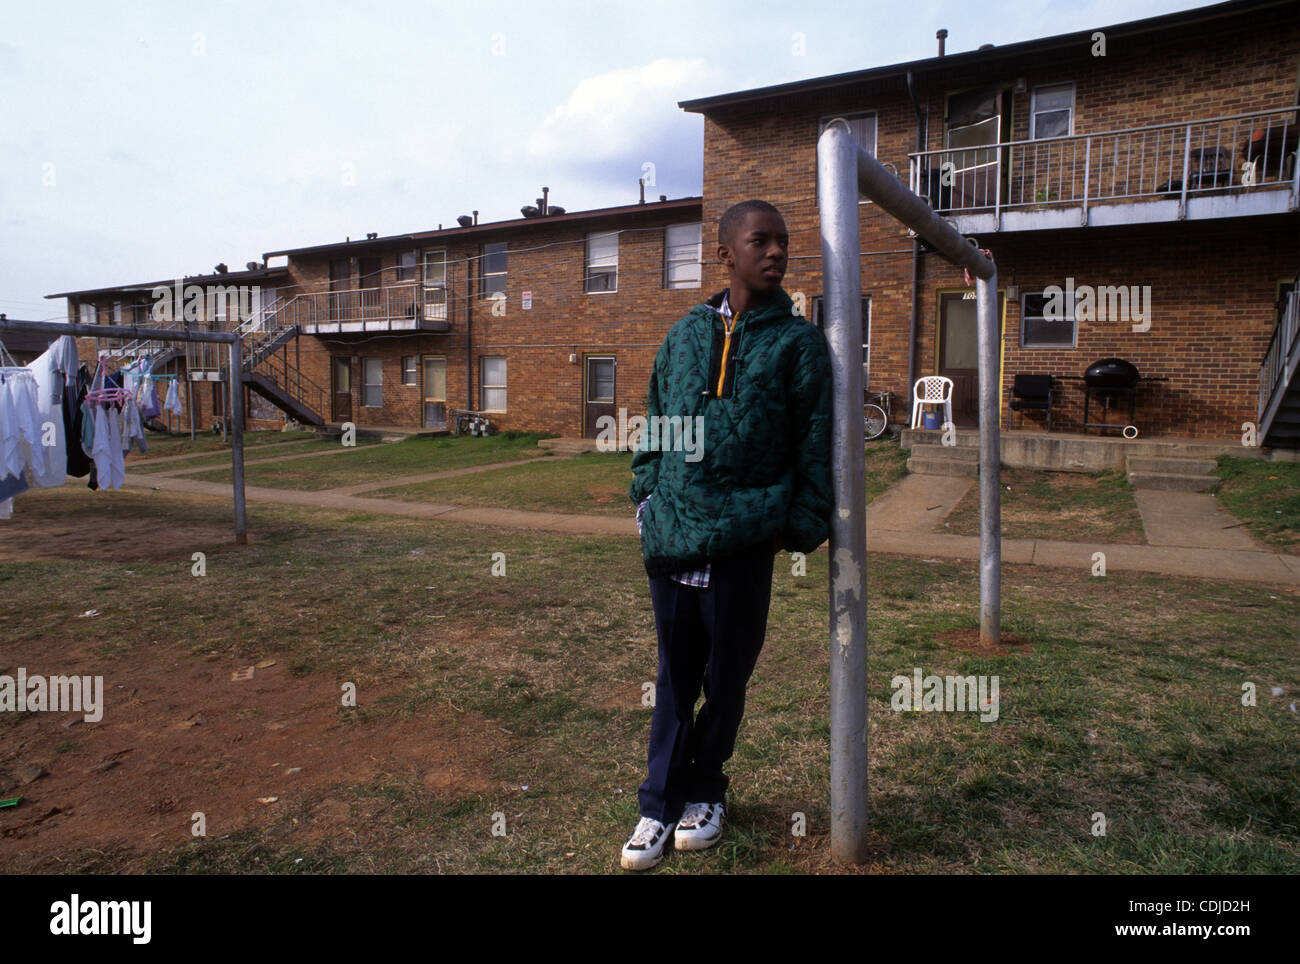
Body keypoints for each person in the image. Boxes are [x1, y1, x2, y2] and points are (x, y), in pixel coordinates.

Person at [621, 199, 833, 870]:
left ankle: (704, 791)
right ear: (726, 254)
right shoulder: (682, 336)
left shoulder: (799, 345)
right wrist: (646, 496)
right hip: (674, 538)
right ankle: (656, 804)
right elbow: (655, 421)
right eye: (760, 241)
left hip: (745, 542)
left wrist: (796, 526)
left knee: (728, 678)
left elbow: (814, 444)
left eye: (783, 243)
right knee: (675, 677)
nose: (775, 253)